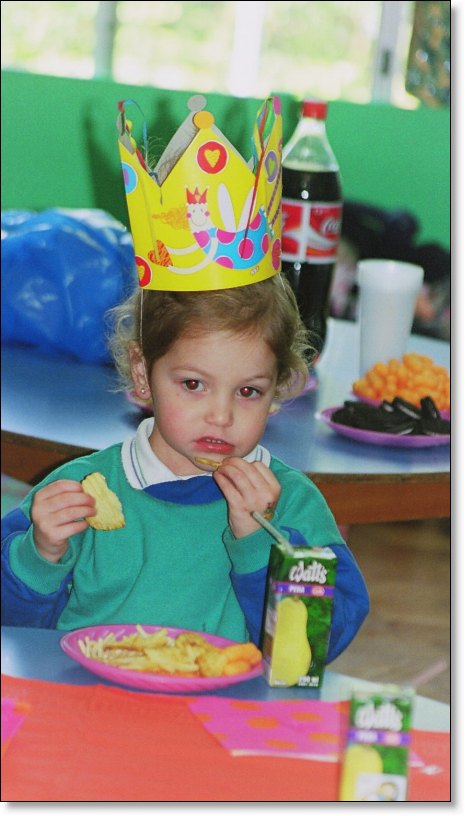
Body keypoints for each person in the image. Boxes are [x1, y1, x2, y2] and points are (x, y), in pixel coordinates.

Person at [1, 94, 369, 662]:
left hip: (223, 715)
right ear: (143, 375)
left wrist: (260, 543)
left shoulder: (290, 506)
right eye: (193, 384)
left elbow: (307, 652)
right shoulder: (80, 490)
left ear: (279, 390)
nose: (221, 414)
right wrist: (39, 553)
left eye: (248, 391)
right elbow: (15, 633)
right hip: (89, 707)